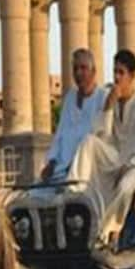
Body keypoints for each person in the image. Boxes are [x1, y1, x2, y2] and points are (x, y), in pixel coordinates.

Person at [67, 49, 135, 246]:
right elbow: (102, 135)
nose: (117, 77)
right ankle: (74, 196)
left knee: (125, 185)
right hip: (117, 157)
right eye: (115, 72)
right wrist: (109, 107)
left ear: (132, 76)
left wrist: (132, 164)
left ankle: (106, 230)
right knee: (89, 142)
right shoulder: (113, 102)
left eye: (121, 73)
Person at [41, 48, 108, 181]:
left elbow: (102, 135)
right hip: (60, 170)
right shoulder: (70, 98)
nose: (78, 73)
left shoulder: (103, 97)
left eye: (83, 68)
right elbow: (60, 133)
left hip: (88, 173)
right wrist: (51, 161)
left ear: (93, 72)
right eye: (75, 69)